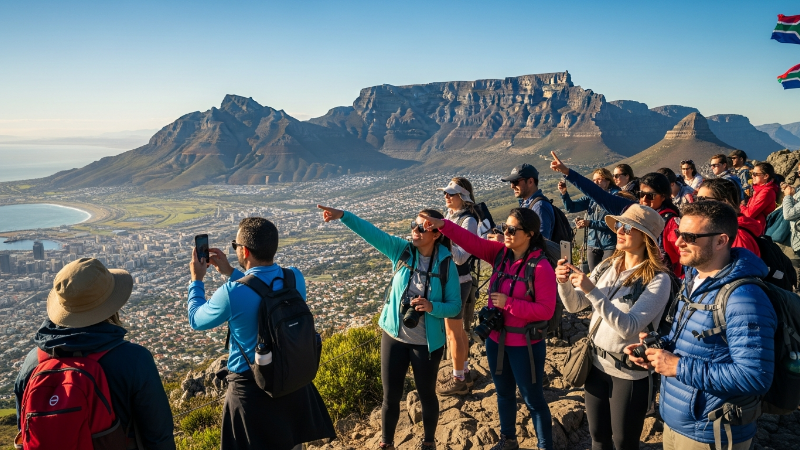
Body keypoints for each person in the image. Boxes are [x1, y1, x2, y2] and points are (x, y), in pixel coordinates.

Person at [624, 201, 777, 450]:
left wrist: (678, 367)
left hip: (712, 430)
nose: (677, 242)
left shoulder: (745, 298)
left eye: (690, 237)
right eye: (678, 233)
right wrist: (657, 350)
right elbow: (696, 342)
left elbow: (755, 377)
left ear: (720, 241)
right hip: (679, 420)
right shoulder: (694, 279)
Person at [317, 205, 461, 450]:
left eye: (422, 228)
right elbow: (372, 233)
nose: (415, 231)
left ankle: (429, 442)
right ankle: (387, 443)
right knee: (390, 397)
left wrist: (431, 306)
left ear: (436, 233)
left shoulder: (447, 265)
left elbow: (455, 306)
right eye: (413, 226)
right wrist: (343, 216)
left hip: (427, 342)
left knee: (427, 394)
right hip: (394, 336)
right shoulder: (401, 251)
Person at [187, 218, 336, 450]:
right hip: (290, 382)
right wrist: (231, 272)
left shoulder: (231, 293)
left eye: (236, 246)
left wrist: (196, 280)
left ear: (244, 251)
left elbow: (196, 319)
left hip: (250, 393)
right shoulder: (294, 278)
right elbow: (263, 292)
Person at [420, 208, 556, 450]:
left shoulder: (541, 267)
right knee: (503, 394)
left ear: (530, 234)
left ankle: (545, 446)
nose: (507, 233)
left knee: (533, 400)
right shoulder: (501, 254)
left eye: (513, 230)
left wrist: (509, 304)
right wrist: (441, 224)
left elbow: (546, 310)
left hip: (525, 345)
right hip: (496, 340)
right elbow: (471, 242)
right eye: (505, 227)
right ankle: (508, 439)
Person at [15, 258, 175, 449]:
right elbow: (158, 436)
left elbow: (24, 432)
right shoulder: (134, 360)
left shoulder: (33, 362)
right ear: (111, 305)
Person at [556, 205, 671, 450]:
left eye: (628, 227)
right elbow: (576, 305)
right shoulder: (609, 265)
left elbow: (628, 327)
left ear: (646, 237)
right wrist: (564, 283)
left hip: (629, 374)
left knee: (623, 444)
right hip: (596, 365)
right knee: (598, 438)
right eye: (619, 225)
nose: (619, 230)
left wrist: (591, 289)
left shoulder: (658, 280)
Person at [549, 152, 682, 277]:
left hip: (660, 280)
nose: (644, 200)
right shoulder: (633, 211)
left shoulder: (670, 222)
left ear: (664, 197)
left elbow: (683, 258)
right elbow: (597, 194)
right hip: (634, 276)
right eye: (641, 195)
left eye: (651, 196)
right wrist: (567, 172)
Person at [436, 178, 480, 396]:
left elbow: (462, 258)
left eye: (450, 194)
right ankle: (464, 372)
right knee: (457, 330)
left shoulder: (468, 221)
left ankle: (459, 380)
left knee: (453, 332)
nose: (446, 196)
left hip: (459, 281)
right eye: (445, 193)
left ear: (462, 197)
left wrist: (446, 235)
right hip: (451, 280)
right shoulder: (450, 217)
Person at [558, 168, 619, 271]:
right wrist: (564, 194)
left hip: (610, 244)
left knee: (606, 275)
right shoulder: (592, 197)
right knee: (593, 276)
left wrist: (590, 223)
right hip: (593, 244)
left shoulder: (616, 197)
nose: (596, 182)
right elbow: (571, 207)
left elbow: (614, 223)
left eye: (599, 179)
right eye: (594, 180)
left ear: (608, 180)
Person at [695, 178, 761, 257]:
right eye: (697, 199)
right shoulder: (723, 228)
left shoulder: (737, 235)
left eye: (703, 199)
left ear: (724, 202)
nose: (698, 204)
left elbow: (743, 268)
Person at [500, 163, 554, 240]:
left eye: (515, 182)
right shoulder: (527, 203)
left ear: (530, 182)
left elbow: (541, 242)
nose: (512, 186)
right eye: (511, 182)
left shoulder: (539, 207)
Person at [741, 162, 780, 231]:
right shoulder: (759, 189)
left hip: (757, 228)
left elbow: (749, 214)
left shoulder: (766, 192)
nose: (752, 176)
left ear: (766, 176)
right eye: (752, 174)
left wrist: (740, 206)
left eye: (755, 174)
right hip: (754, 225)